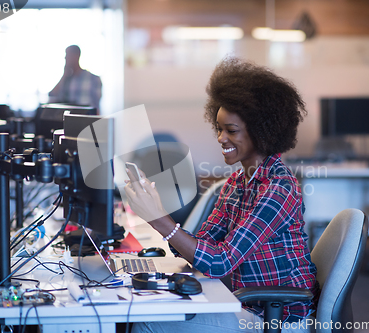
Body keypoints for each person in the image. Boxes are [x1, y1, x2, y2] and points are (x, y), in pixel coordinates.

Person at [124, 57, 319, 333]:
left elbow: (220, 262)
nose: (220, 138)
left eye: (231, 131)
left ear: (261, 131)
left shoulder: (279, 188)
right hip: (246, 304)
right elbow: (203, 246)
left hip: (277, 317)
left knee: (148, 322)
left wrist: (160, 220)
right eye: (219, 128)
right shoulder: (238, 182)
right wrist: (163, 218)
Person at [48, 45, 102, 112]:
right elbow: (52, 95)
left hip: (86, 120)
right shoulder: (66, 79)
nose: (65, 58)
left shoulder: (93, 79)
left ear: (76, 56)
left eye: (67, 55)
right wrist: (64, 75)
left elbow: (96, 106)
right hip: (68, 120)